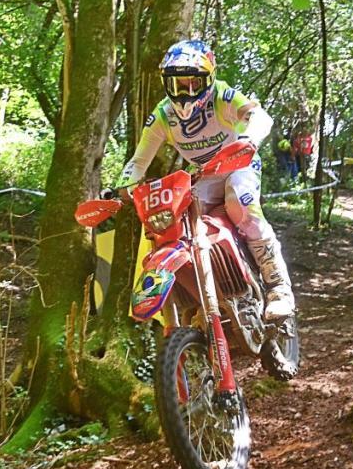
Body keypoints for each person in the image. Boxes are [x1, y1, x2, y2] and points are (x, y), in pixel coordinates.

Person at [117, 39, 295, 320]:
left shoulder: (222, 96)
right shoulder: (163, 115)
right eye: (177, 84)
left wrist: (248, 139)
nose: (185, 92)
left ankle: (278, 286)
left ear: (208, 80)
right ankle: (207, 292)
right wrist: (123, 186)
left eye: (193, 83)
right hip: (204, 174)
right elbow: (139, 161)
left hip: (240, 162)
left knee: (239, 200)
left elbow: (259, 115)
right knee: (180, 219)